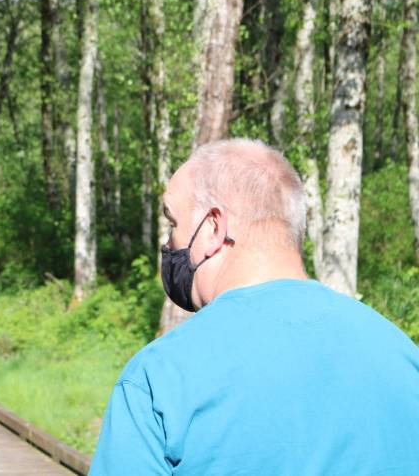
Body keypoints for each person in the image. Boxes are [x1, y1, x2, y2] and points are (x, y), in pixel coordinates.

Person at [90, 138, 419, 475]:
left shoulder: (160, 379)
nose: (169, 243)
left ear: (213, 228)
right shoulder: (403, 356)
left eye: (173, 224)